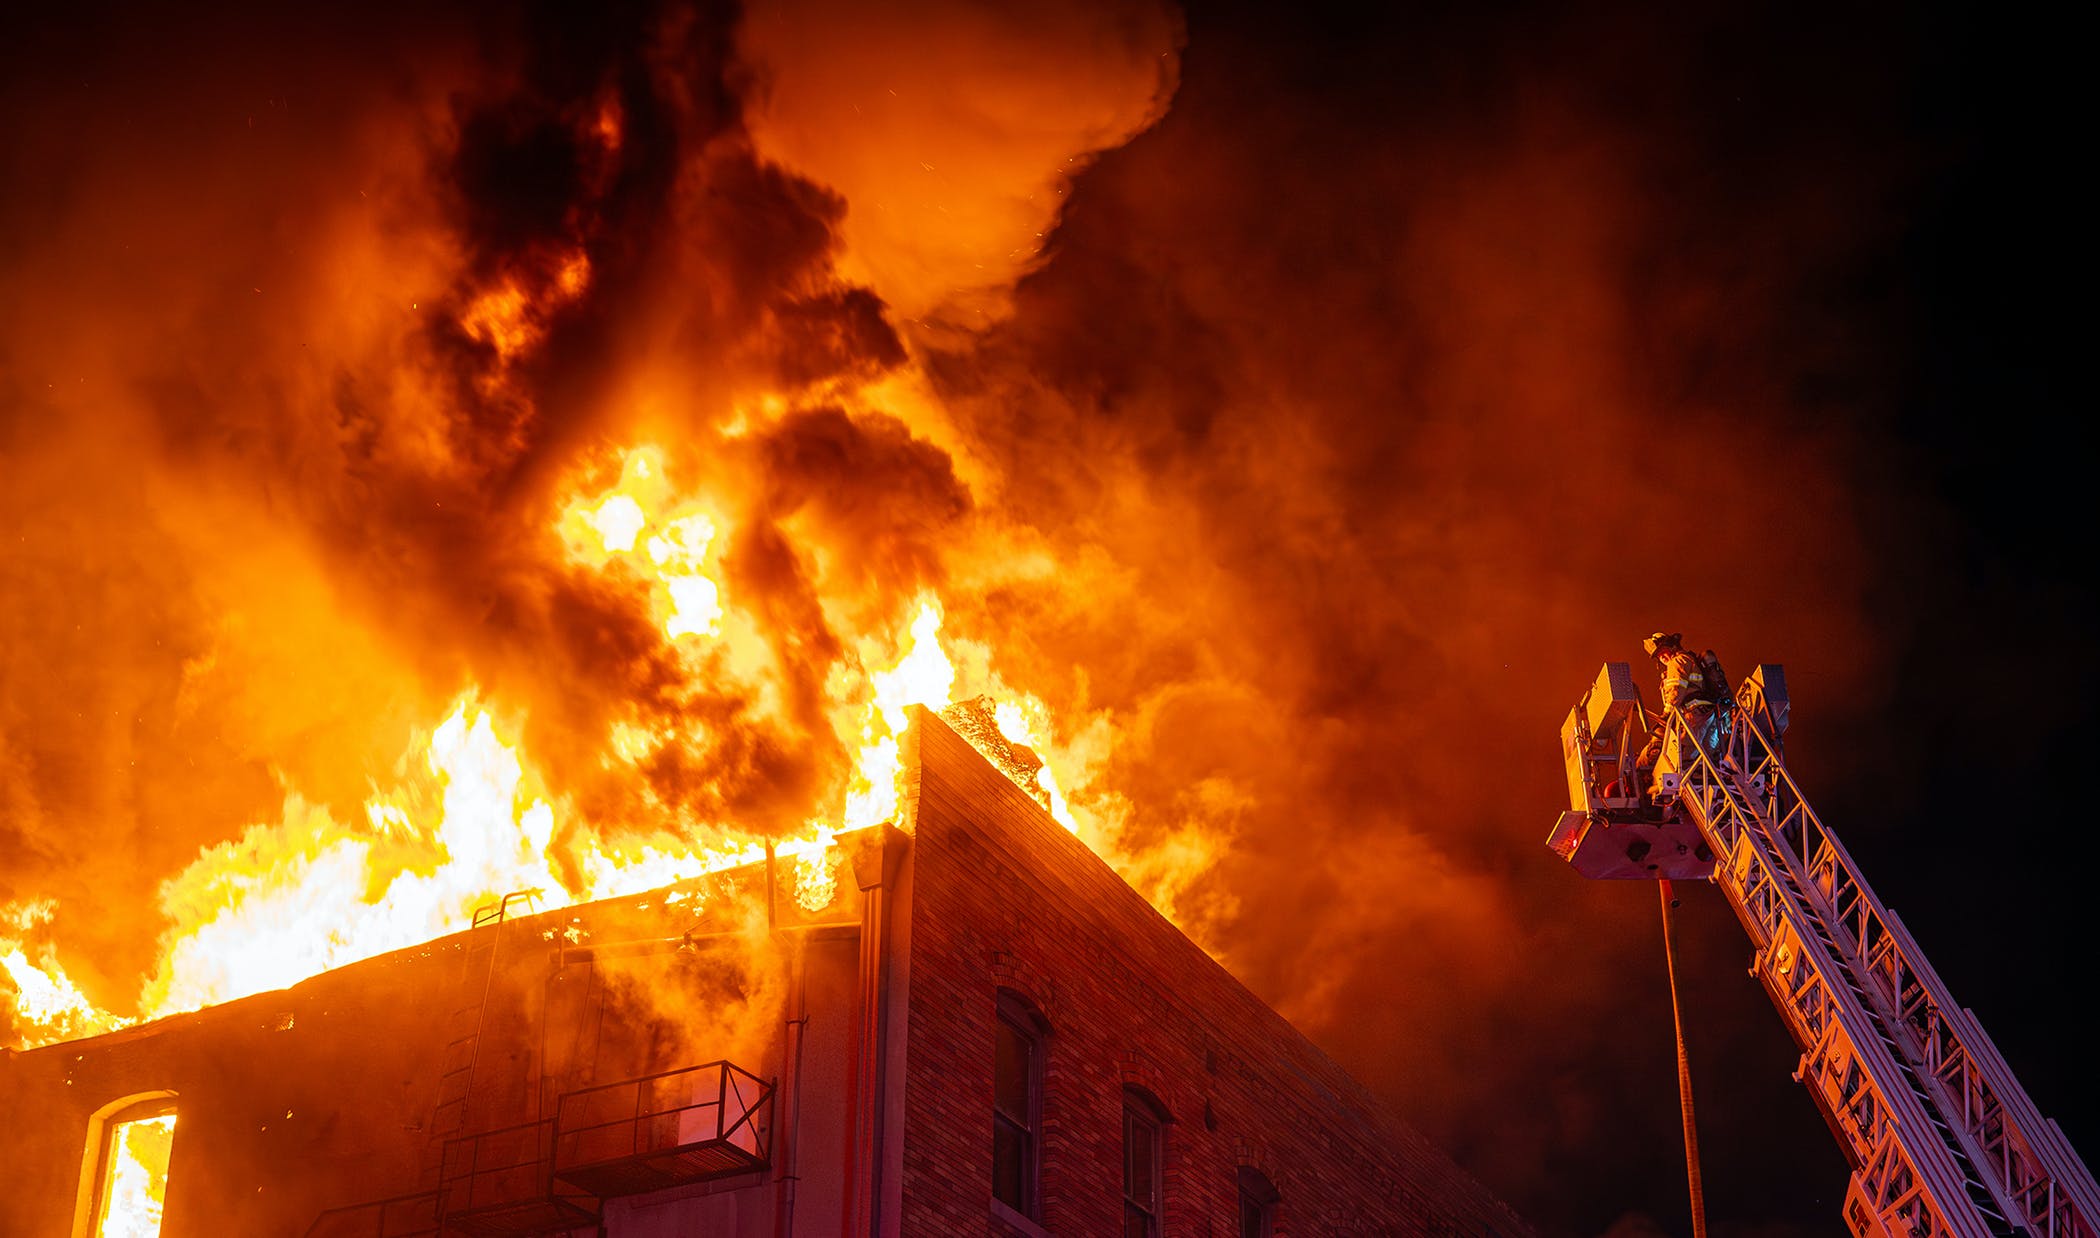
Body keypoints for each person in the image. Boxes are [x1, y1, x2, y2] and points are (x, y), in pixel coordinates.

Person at [1636, 631, 1725, 778]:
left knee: (1684, 759)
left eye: (1662, 651)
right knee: (1707, 760)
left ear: (1672, 646)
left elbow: (1676, 691)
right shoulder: (1690, 660)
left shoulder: (1677, 661)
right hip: (1709, 714)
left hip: (1694, 715)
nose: (1661, 657)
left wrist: (1667, 714)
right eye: (1658, 655)